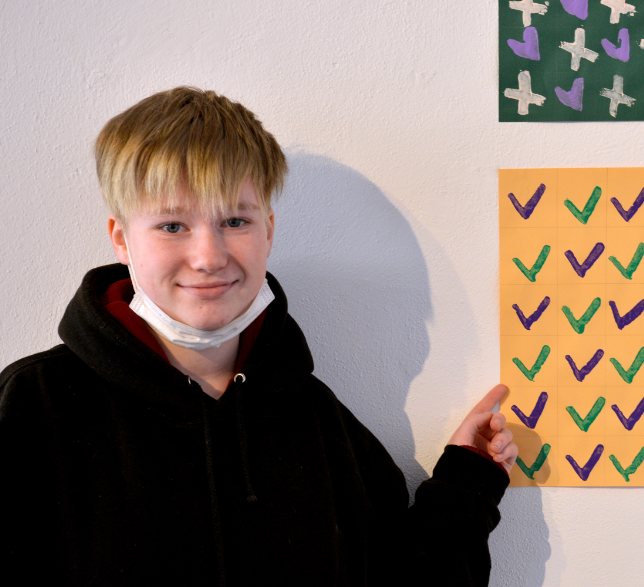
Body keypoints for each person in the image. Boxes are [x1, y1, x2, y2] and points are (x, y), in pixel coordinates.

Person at [0, 87, 516, 586]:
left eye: (234, 220)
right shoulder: (33, 407)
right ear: (121, 238)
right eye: (172, 226)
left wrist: (466, 484)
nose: (208, 257)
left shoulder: (324, 428)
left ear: (267, 231)